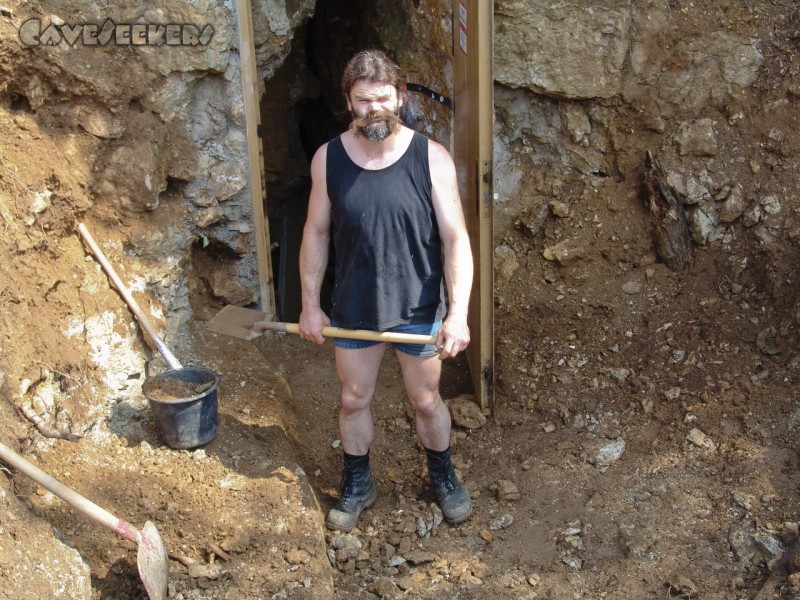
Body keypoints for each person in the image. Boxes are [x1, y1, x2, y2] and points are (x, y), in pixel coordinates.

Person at [298, 49, 474, 532]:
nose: (374, 109)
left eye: (382, 98)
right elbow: (315, 232)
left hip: (418, 306)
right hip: (353, 306)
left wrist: (457, 314)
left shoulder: (430, 158)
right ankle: (358, 482)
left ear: (399, 96)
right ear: (348, 102)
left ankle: (443, 474)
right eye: (363, 101)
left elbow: (456, 237)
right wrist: (310, 305)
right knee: (354, 398)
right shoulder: (328, 159)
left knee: (426, 400)